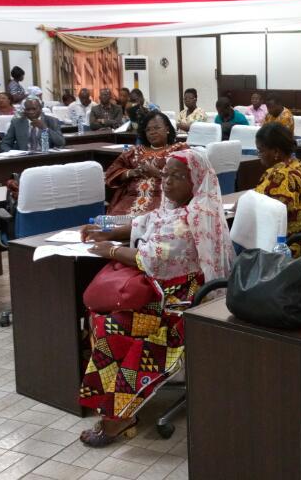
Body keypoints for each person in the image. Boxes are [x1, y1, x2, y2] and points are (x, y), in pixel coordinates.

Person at [78, 149, 234, 447]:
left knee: (114, 329)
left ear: (196, 180)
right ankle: (113, 403)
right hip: (161, 294)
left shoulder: (196, 216)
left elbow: (151, 258)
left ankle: (119, 415)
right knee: (101, 317)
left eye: (177, 176)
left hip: (185, 306)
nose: (168, 182)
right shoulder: (173, 207)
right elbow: (143, 223)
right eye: (166, 175)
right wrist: (105, 233)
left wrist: (111, 250)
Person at [104, 111, 189, 215]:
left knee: (149, 221)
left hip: (162, 198)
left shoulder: (179, 150)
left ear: (167, 129)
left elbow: (187, 178)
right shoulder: (134, 151)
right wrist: (132, 172)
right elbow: (111, 173)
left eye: (156, 128)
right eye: (148, 130)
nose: (152, 132)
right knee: (115, 220)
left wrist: (158, 173)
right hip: (131, 198)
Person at [255, 123, 301, 257]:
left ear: (276, 152)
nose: (259, 155)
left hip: (289, 248)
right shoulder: (297, 165)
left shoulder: (278, 175)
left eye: (261, 150)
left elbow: (260, 210)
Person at [0, 96, 65, 151]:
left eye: (34, 109)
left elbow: (61, 142)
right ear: (24, 110)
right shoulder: (17, 123)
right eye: (28, 109)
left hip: (46, 156)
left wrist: (45, 128)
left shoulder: (52, 121)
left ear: (40, 109)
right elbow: (5, 144)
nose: (31, 112)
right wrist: (12, 154)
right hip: (24, 158)